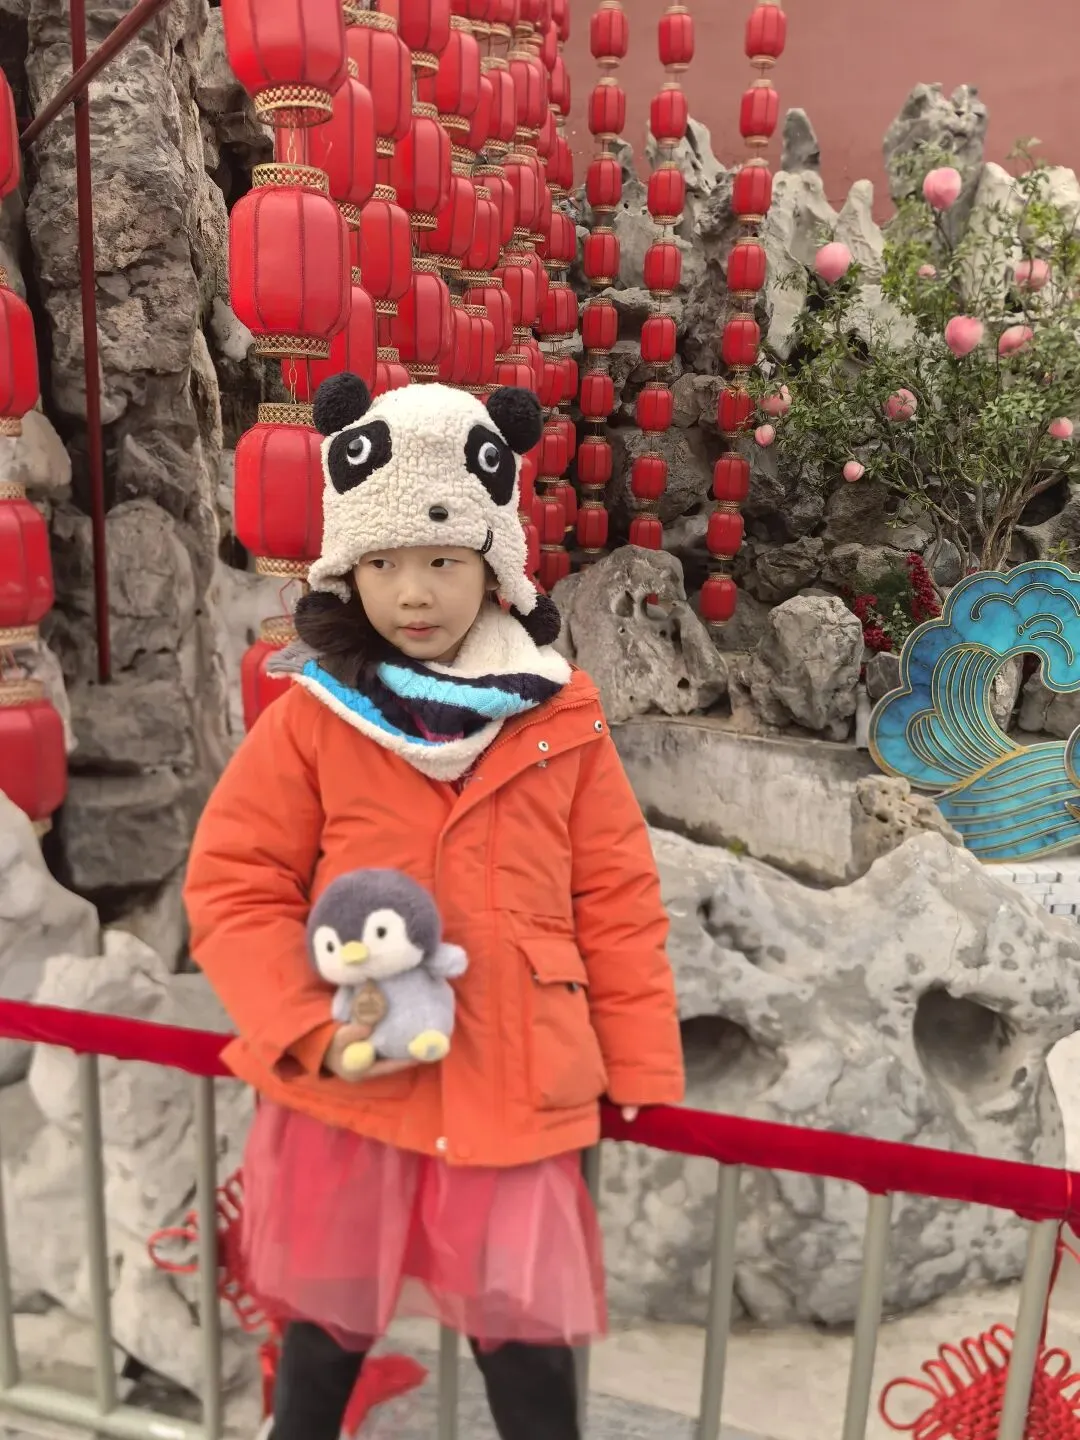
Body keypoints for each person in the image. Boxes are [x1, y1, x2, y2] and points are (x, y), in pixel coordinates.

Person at [184, 375, 685, 1440]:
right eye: (383, 563)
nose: (413, 594)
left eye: (443, 561)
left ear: (494, 562)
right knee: (320, 1352)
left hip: (516, 1079)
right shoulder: (312, 718)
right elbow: (234, 884)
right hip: (357, 1083)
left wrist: (640, 1063)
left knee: (530, 1366)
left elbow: (615, 897)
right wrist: (307, 1030)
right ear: (348, 571)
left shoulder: (563, 717)